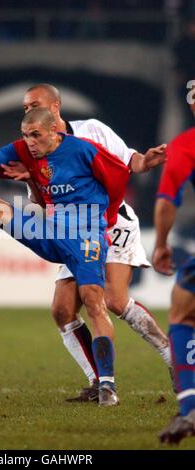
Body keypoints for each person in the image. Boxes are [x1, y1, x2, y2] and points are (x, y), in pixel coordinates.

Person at [0, 83, 171, 403]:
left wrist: (110, 213)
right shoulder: (26, 148)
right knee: (62, 309)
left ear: (55, 109)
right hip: (56, 225)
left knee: (111, 301)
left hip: (104, 223)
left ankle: (158, 362)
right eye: (24, 111)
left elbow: (125, 169)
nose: (28, 126)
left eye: (33, 106)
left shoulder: (91, 137)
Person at [153, 107, 195, 444]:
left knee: (183, 314)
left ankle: (191, 408)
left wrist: (161, 245)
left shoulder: (186, 144)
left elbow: (167, 202)